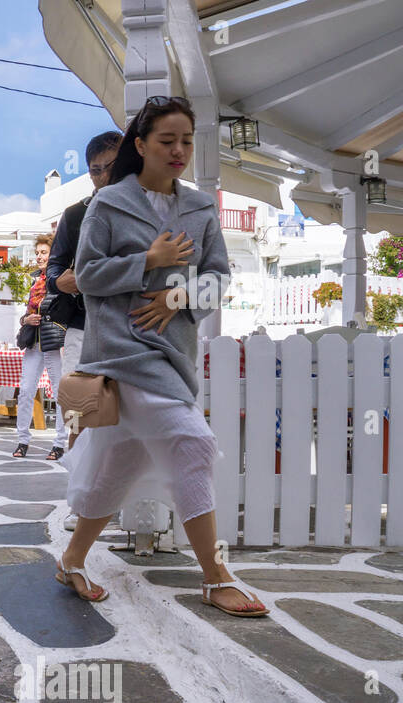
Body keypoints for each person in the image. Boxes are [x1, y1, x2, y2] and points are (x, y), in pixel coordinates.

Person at [58, 96, 268, 617]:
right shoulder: (107, 205)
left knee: (117, 462)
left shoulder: (200, 207)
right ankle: (216, 577)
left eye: (187, 142)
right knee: (193, 442)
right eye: (167, 141)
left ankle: (71, 559)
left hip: (173, 351)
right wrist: (147, 261)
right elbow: (85, 276)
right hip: (123, 354)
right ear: (141, 145)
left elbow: (220, 278)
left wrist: (177, 297)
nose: (178, 151)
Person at [49, 131, 123, 529]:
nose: (103, 176)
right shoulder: (76, 214)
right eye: (96, 171)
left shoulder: (145, 209)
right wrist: (60, 280)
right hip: (83, 326)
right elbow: (52, 268)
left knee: (126, 417)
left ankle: (123, 506)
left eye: (111, 166)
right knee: (79, 417)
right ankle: (80, 504)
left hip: (132, 329)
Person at [13, 234, 68, 461]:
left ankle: (59, 443)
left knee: (59, 393)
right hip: (34, 342)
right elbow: (26, 314)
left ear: (53, 254)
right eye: (37, 253)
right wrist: (26, 320)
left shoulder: (61, 278)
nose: (39, 257)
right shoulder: (35, 281)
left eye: (43, 253)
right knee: (25, 390)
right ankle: (22, 440)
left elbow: (65, 309)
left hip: (54, 342)